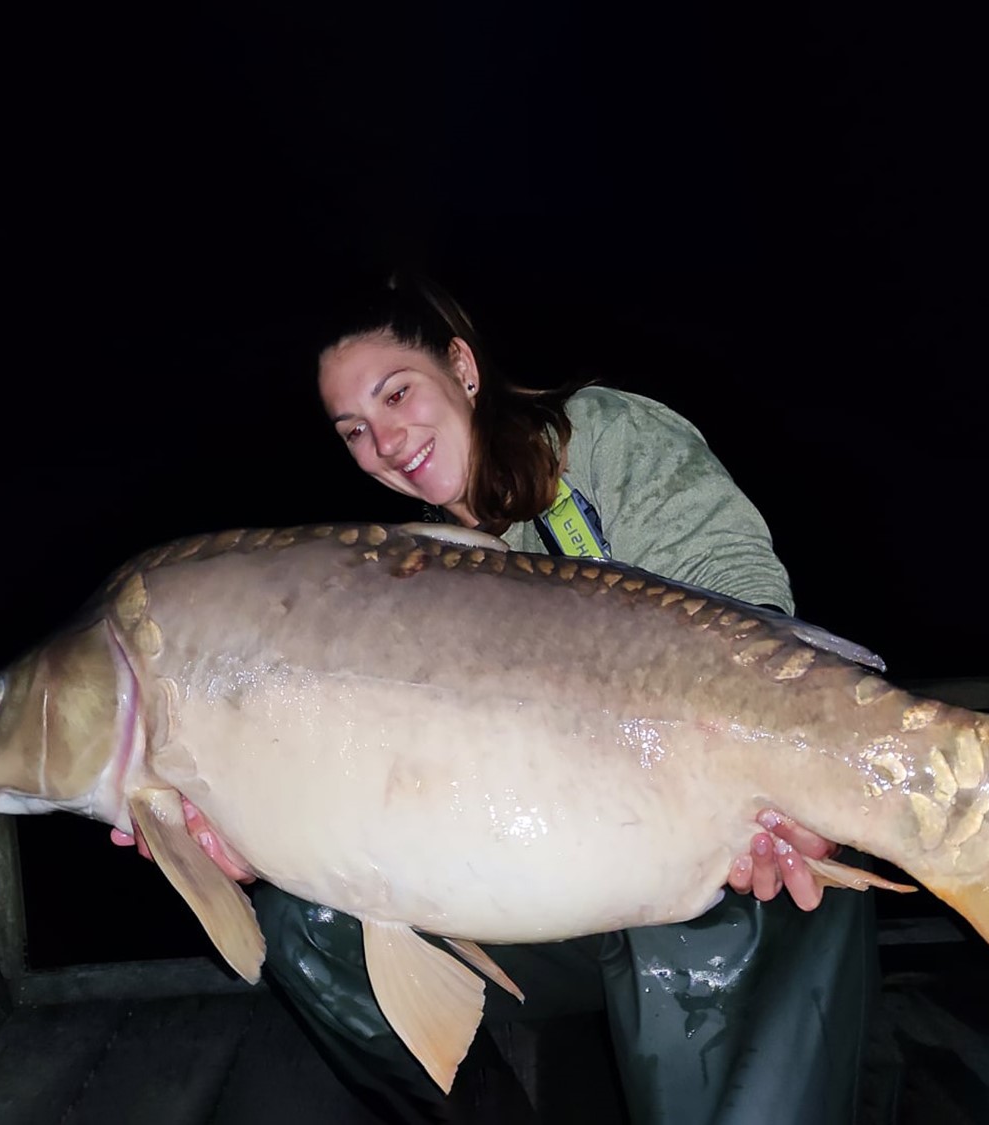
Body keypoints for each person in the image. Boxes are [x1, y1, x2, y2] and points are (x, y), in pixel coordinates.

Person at [115, 276, 879, 1124]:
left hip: (735, 847)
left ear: (464, 368)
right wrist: (263, 837)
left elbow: (750, 604)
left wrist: (780, 781)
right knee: (307, 930)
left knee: (703, 935)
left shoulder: (599, 437)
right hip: (546, 897)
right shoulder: (396, 587)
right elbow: (394, 803)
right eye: (354, 431)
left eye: (397, 393)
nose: (385, 441)